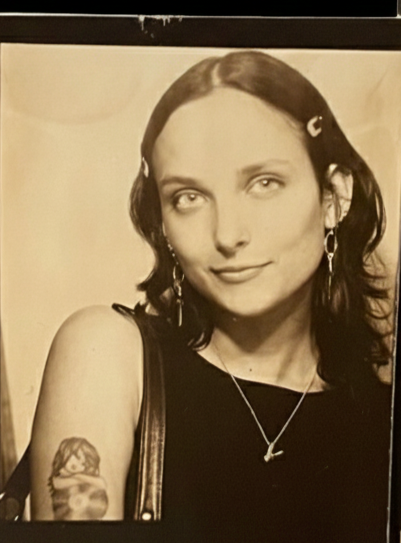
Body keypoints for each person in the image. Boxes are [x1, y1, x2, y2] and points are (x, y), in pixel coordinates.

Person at [30, 51, 393, 542]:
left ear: (333, 198)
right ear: (163, 224)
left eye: (264, 183)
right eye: (189, 197)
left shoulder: (380, 421)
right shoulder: (106, 352)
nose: (227, 234)